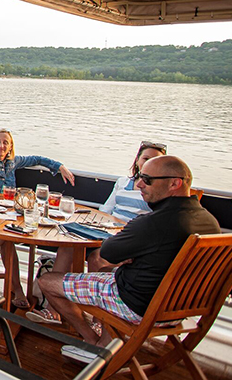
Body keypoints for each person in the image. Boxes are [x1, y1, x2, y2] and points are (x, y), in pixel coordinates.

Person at [37, 155, 220, 364]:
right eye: (140, 177)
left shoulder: (153, 223)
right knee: (108, 275)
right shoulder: (210, 223)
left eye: (147, 179)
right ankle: (107, 342)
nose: (139, 184)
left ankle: (94, 345)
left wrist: (129, 257)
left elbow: (107, 254)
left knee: (48, 281)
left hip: (137, 307)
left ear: (174, 184)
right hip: (180, 310)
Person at [27, 141, 166, 324]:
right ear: (138, 160)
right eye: (146, 158)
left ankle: (100, 320)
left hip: (129, 240)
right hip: (107, 232)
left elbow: (156, 223)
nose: (148, 163)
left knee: (96, 258)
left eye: (154, 160)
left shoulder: (158, 190)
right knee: (67, 246)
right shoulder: (123, 183)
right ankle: (53, 310)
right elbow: (105, 211)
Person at [0, 129, 75, 309]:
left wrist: (59, 166)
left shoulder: (13, 162)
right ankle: (13, 287)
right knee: (5, 234)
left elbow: (38, 159)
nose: (1, 146)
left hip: (9, 212)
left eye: (5, 143)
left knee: (7, 234)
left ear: (10, 147)